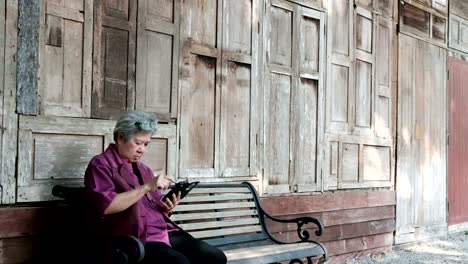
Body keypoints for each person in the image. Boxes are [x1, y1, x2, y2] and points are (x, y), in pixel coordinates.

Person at [84, 110, 227, 264]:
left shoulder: (143, 169)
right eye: (137, 143)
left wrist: (167, 207)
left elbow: (156, 207)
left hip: (165, 232)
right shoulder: (101, 164)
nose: (142, 149)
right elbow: (106, 206)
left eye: (146, 144)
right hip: (137, 238)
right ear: (120, 137)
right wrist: (146, 187)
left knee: (215, 257)